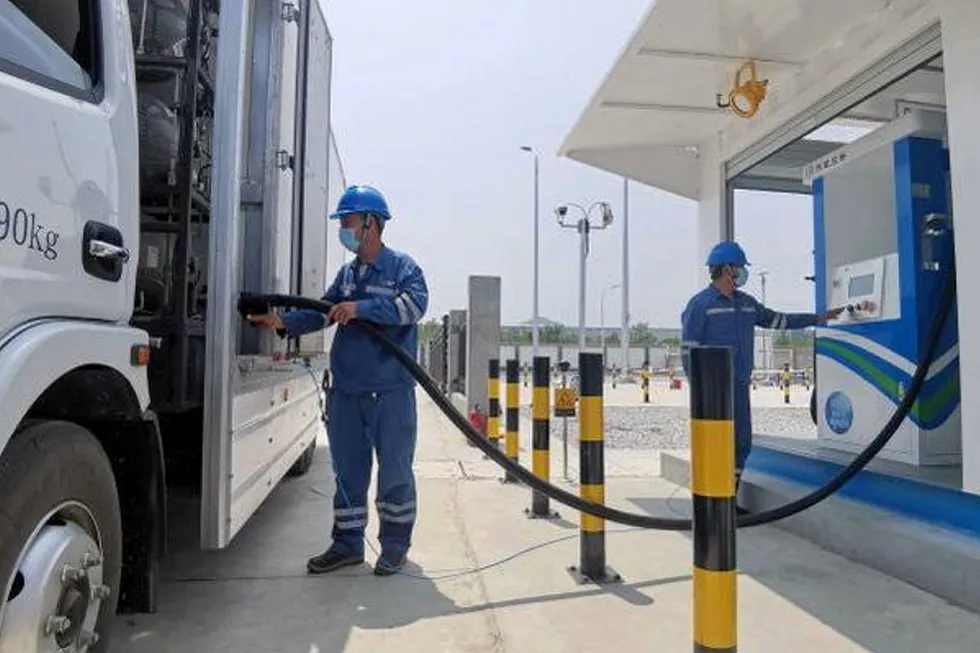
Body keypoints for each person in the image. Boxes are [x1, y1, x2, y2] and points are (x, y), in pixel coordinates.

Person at [247, 185, 428, 577]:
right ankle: (347, 545)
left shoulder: (403, 269)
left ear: (371, 224)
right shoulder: (347, 275)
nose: (343, 230)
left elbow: (414, 306)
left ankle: (394, 546)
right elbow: (323, 312)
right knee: (348, 473)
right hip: (347, 393)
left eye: (348, 222)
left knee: (395, 472)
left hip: (390, 394)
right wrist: (283, 322)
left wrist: (361, 308)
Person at [680, 241, 843, 505]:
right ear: (726, 270)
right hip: (713, 391)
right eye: (740, 268)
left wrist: (818, 318)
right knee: (716, 446)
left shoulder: (747, 304)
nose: (743, 272)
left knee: (741, 443)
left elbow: (780, 320)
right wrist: (699, 388)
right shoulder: (701, 304)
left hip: (739, 384)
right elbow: (688, 349)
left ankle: (728, 500)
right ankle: (711, 501)